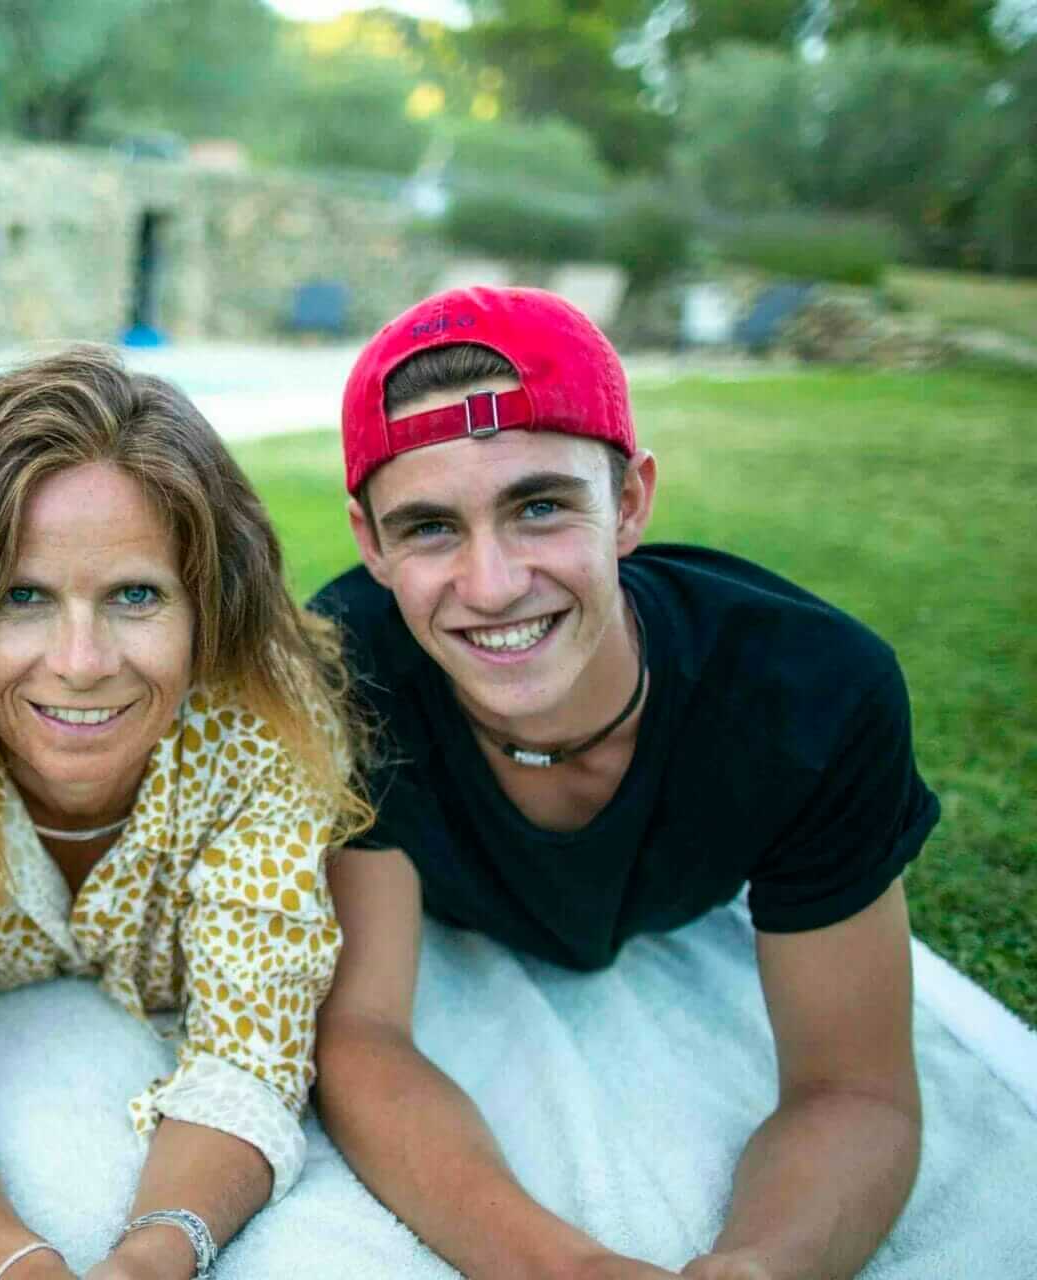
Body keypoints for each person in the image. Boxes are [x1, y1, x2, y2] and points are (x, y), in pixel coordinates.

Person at [309, 286, 938, 1279]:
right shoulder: (351, 671)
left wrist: (760, 1265)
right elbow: (363, 1034)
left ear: (631, 500)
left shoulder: (814, 696)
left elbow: (855, 1087)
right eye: (430, 527)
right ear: (370, 542)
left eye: (541, 505)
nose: (492, 583)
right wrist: (570, 1268)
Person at [0, 346, 370, 1280]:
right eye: (22, 596)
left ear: (204, 607)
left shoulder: (266, 734)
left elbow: (250, 1062)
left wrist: (151, 1257)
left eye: (136, 595)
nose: (83, 660)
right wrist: (15, 1265)